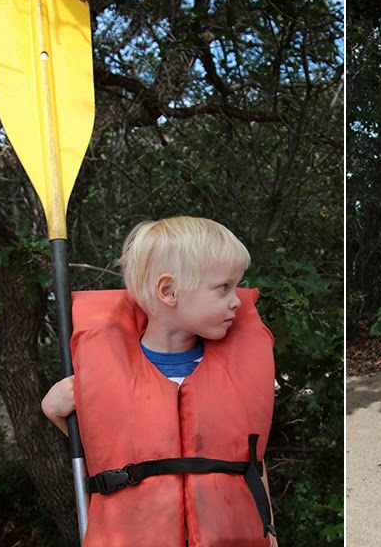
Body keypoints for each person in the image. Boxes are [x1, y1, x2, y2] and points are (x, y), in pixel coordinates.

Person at [42, 216, 278, 546]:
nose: (236, 300)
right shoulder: (103, 378)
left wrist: (270, 533)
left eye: (237, 286)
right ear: (168, 291)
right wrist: (54, 411)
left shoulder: (237, 375)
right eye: (224, 287)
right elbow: (105, 450)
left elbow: (251, 463)